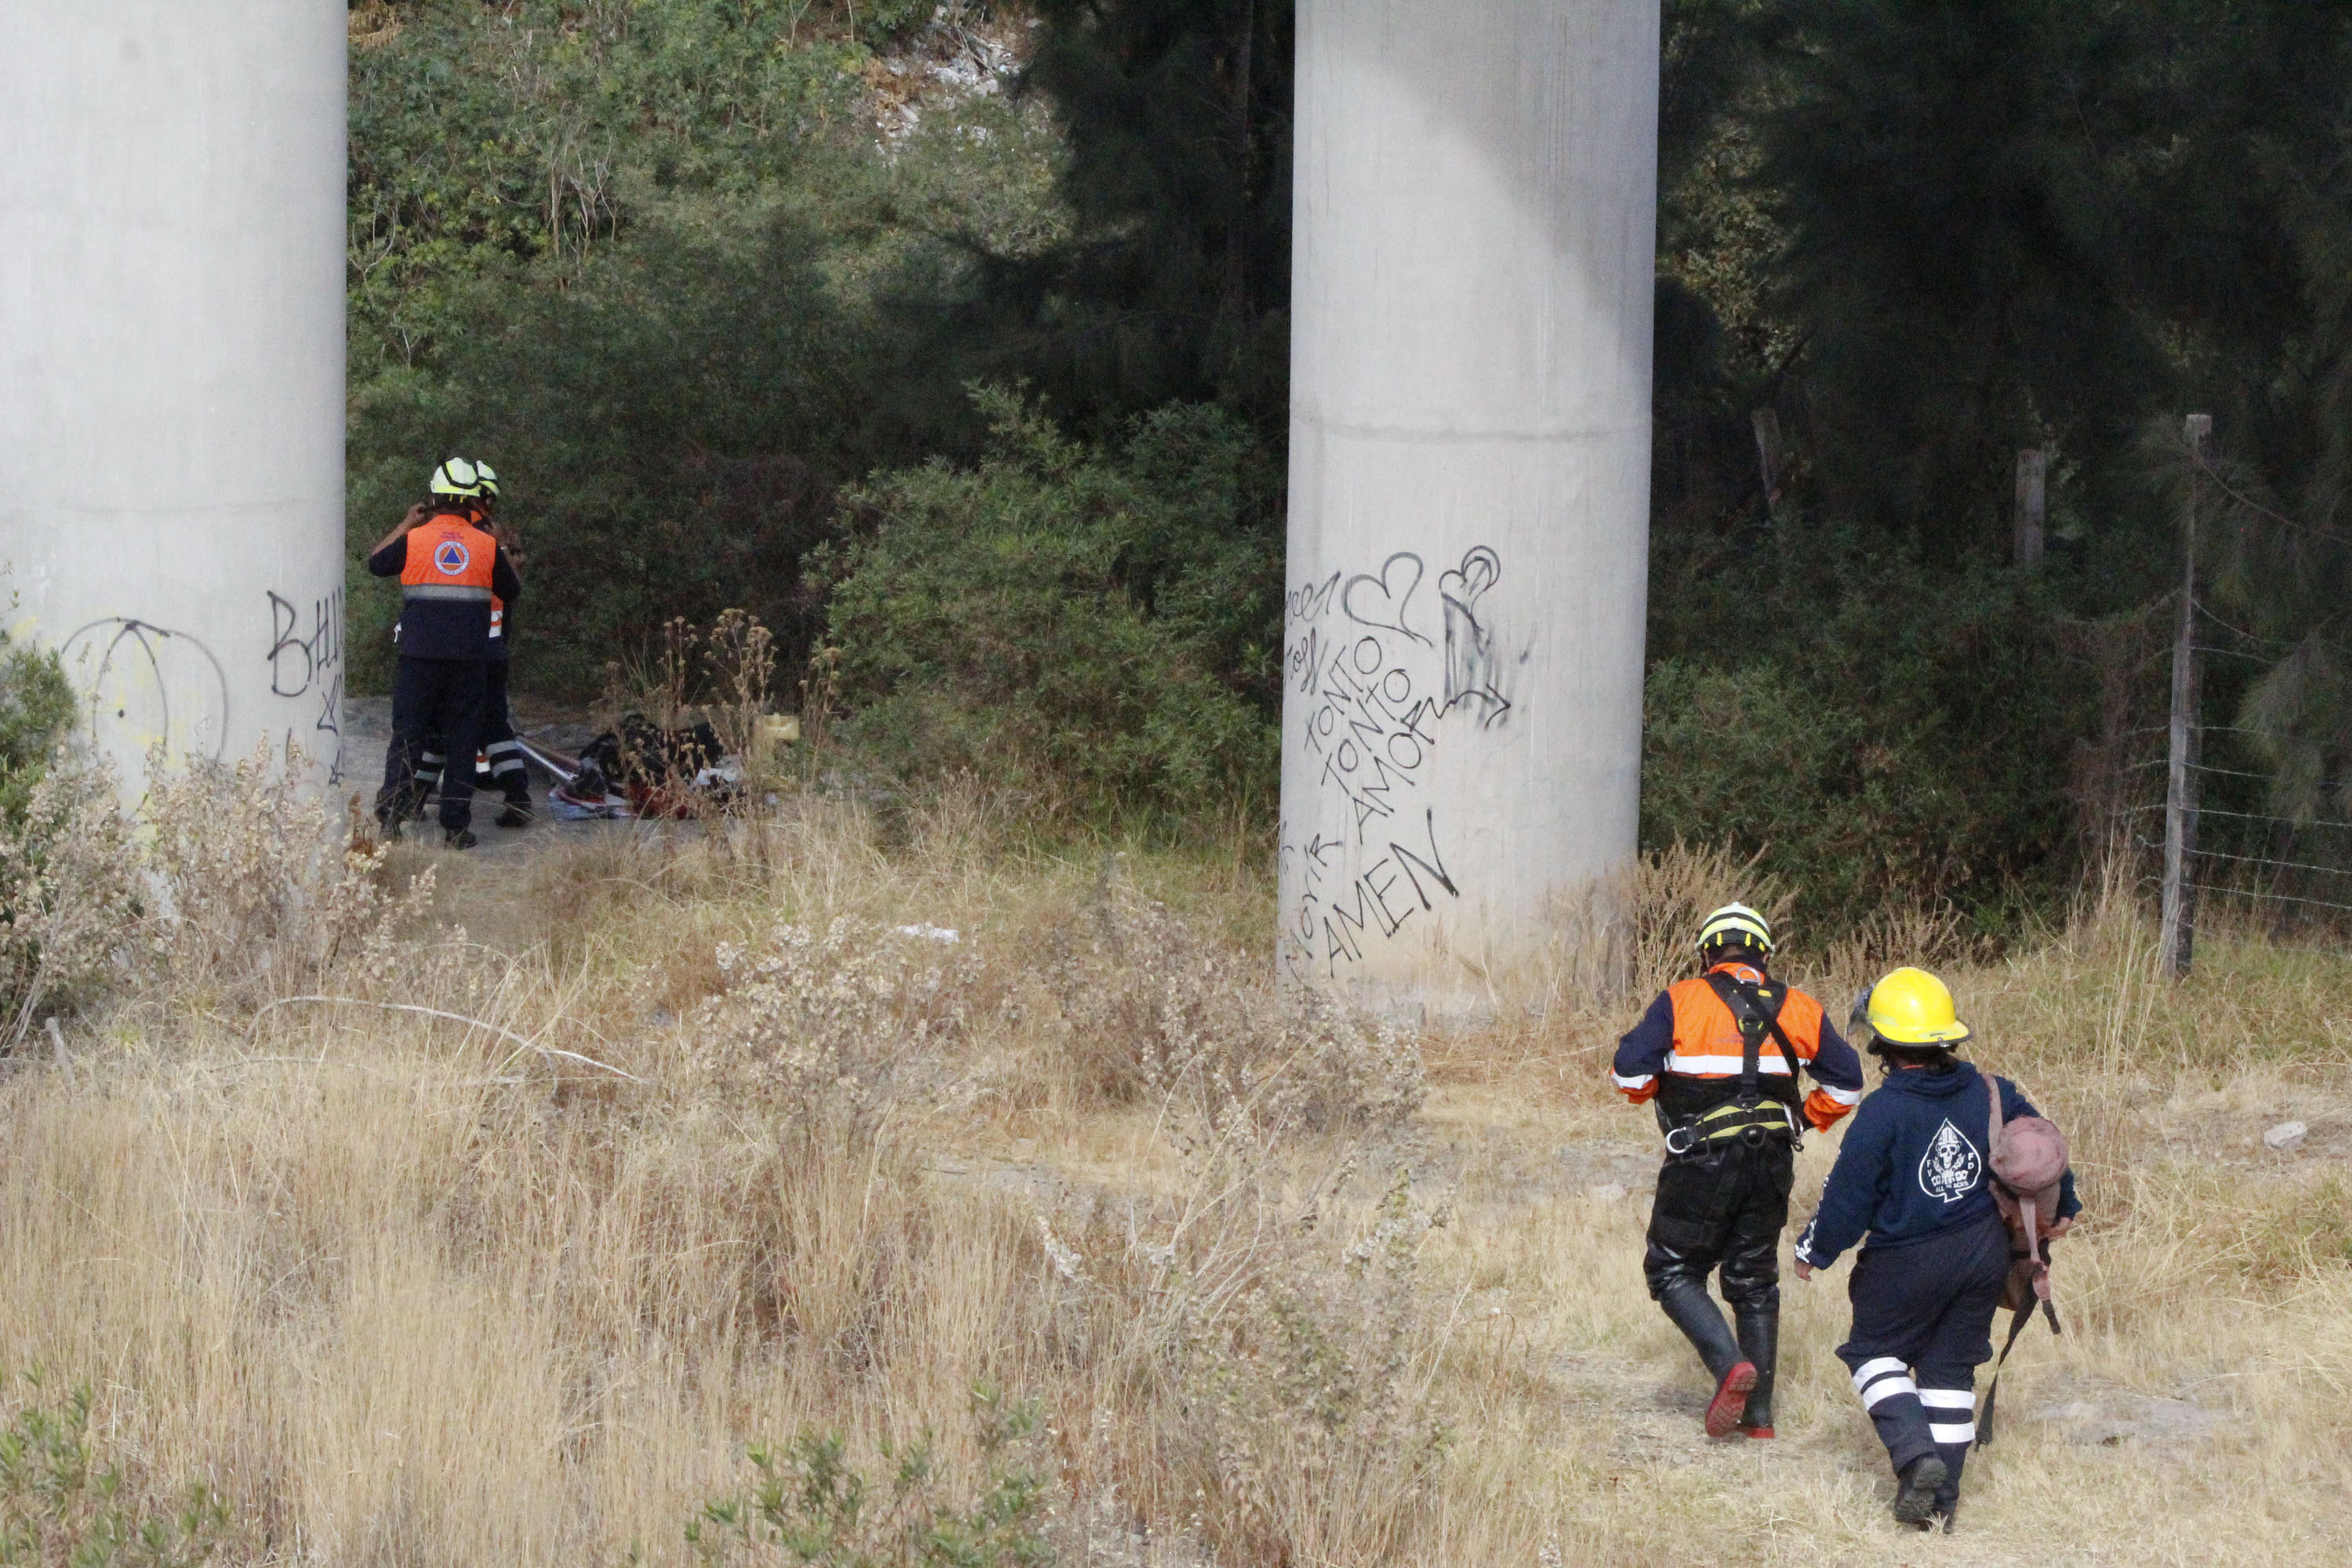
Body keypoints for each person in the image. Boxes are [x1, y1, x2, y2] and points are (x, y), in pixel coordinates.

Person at [1792, 967, 2081, 1530]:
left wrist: (1814, 1250)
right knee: (1949, 1370)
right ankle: (1939, 1509)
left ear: (1882, 1041)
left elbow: (1848, 1198)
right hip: (1982, 1253)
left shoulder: (1882, 1111)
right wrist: (2064, 1206)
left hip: (1905, 1258)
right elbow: (2044, 1148)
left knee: (1873, 1352)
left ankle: (1915, 1456)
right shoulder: (1992, 1091)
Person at [1613, 904, 1867, 1438]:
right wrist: (1802, 1118)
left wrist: (1663, 1085)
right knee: (1753, 1280)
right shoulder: (1799, 1006)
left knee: (1673, 1270)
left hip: (1700, 1160)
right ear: (1765, 956)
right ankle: (1759, 1419)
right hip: (1772, 1162)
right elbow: (1847, 1085)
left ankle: (1731, 1367)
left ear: (1707, 953)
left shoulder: (1680, 1000)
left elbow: (1629, 1077)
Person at [368, 458, 520, 848]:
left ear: (434, 498)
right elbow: (512, 589)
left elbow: (375, 563)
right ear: (473, 500)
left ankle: (391, 820)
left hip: (418, 659)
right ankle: (455, 828)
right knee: (462, 742)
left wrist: (407, 523)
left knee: (407, 737)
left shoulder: (416, 540)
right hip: (469, 661)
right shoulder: (486, 546)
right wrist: (500, 548)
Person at [413, 460, 533, 827]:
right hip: (486, 646)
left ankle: (417, 797)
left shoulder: (475, 539)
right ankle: (515, 796)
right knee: (484, 724)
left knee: (449, 724)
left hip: (469, 649)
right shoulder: (489, 539)